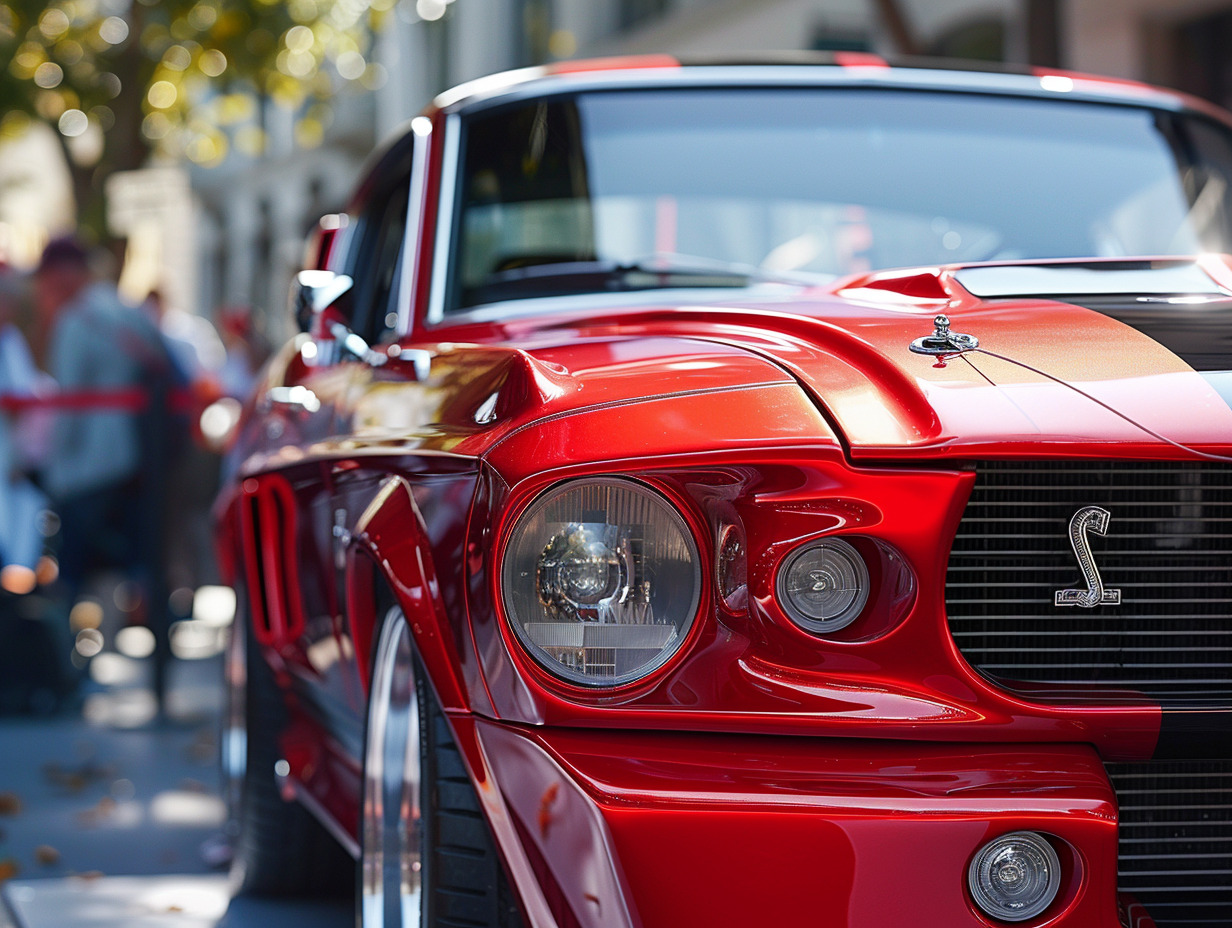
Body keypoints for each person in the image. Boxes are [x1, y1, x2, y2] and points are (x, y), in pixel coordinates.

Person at [32, 237, 188, 712]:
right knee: (147, 568)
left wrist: (50, 472)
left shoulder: (77, 321)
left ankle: (59, 675)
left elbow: (70, 408)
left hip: (92, 470)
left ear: (59, 276)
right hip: (147, 463)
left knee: (70, 575)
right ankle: (161, 683)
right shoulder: (125, 311)